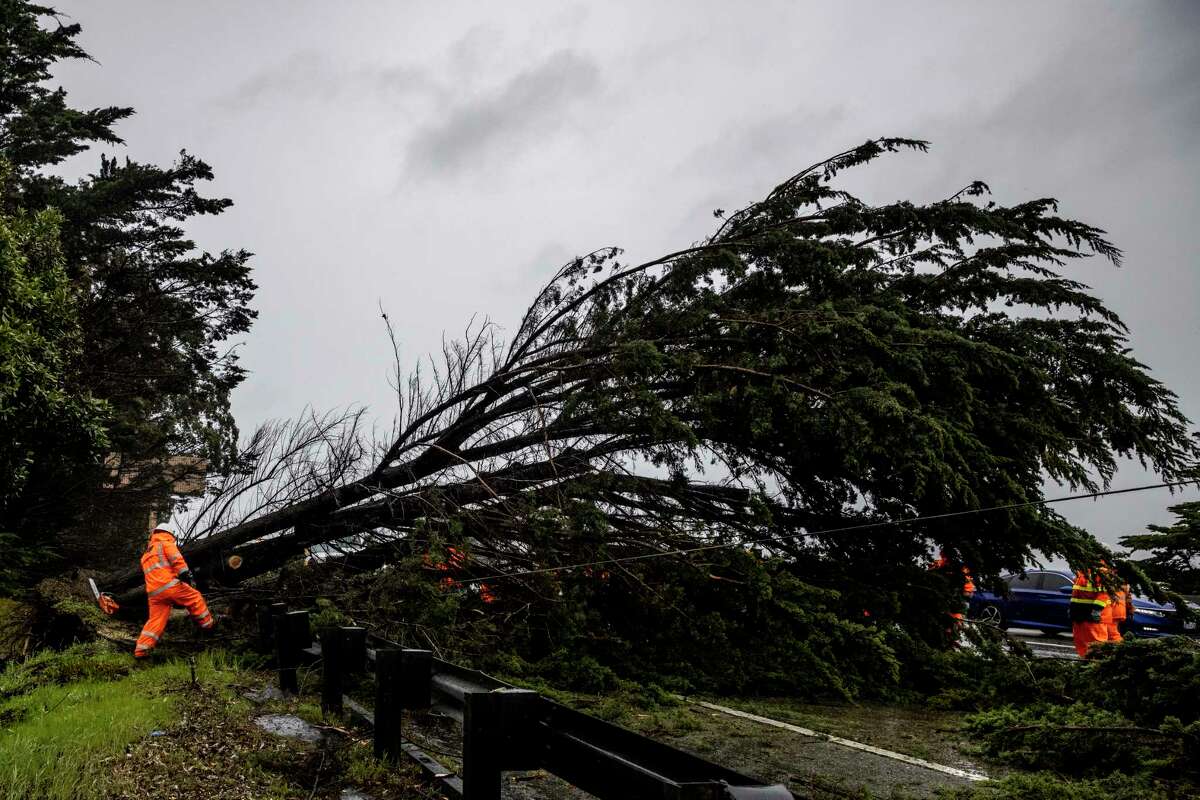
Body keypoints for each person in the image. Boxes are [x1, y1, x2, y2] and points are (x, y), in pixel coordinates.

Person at [134, 520, 214, 657]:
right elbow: (177, 560)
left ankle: (141, 650)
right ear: (169, 534)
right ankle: (208, 626)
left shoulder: (146, 555)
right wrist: (185, 575)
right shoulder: (166, 543)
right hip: (169, 586)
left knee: (155, 621)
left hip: (154, 594)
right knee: (195, 597)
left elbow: (158, 570)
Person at [1069, 565, 1110, 658]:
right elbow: (1077, 594)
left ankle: (1096, 666)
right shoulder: (1082, 572)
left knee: (1096, 643)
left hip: (1091, 616)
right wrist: (1072, 608)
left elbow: (1103, 593)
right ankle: (1085, 665)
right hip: (1079, 615)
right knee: (1082, 643)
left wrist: (1096, 610)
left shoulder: (1100, 572)